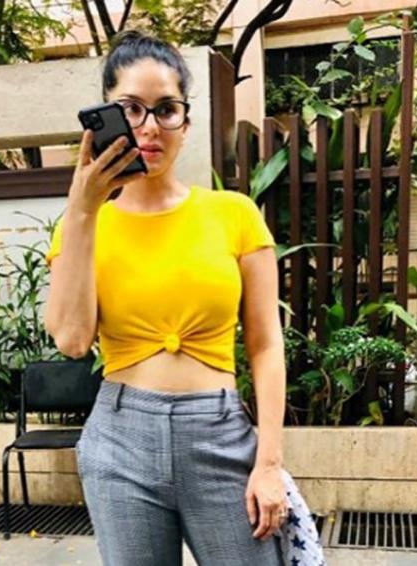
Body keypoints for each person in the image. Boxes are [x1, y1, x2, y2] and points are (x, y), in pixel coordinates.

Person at [44, 30, 289, 565]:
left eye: (166, 109)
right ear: (103, 118)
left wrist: (269, 462)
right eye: (130, 109)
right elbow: (72, 340)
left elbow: (266, 344)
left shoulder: (234, 213)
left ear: (186, 122)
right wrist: (82, 209)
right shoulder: (82, 225)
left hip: (219, 432)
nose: (149, 126)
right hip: (120, 438)